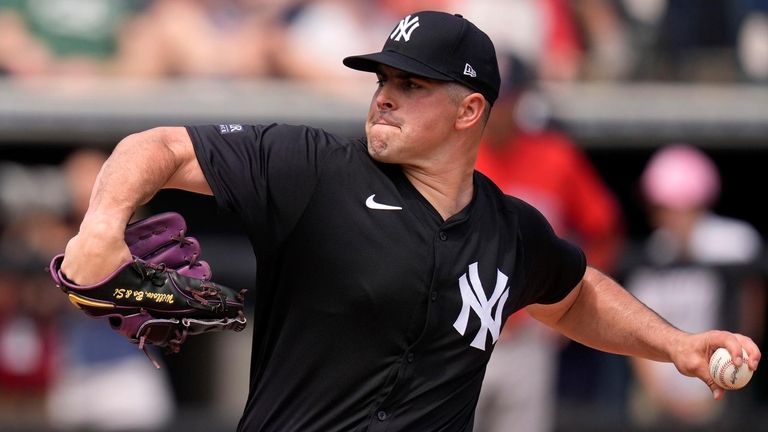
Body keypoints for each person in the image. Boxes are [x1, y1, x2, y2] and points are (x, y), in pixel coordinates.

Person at [56, 10, 760, 431]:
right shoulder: (315, 170)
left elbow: (573, 295)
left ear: (469, 111)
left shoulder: (509, 232)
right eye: (382, 80)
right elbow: (161, 147)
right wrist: (101, 228)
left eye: (411, 84)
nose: (384, 97)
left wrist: (677, 346)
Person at [473, 56, 624, 432]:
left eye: (505, 100)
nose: (498, 111)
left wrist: (569, 306)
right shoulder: (453, 153)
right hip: (460, 332)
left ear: (521, 98)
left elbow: (604, 227)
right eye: (491, 99)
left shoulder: (555, 156)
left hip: (529, 333)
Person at [624, 144, 764, 429]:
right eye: (660, 206)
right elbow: (633, 327)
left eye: (673, 205)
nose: (664, 215)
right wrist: (661, 395)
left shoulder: (735, 241)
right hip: (662, 392)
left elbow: (751, 316)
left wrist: (731, 379)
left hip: (721, 384)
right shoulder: (656, 250)